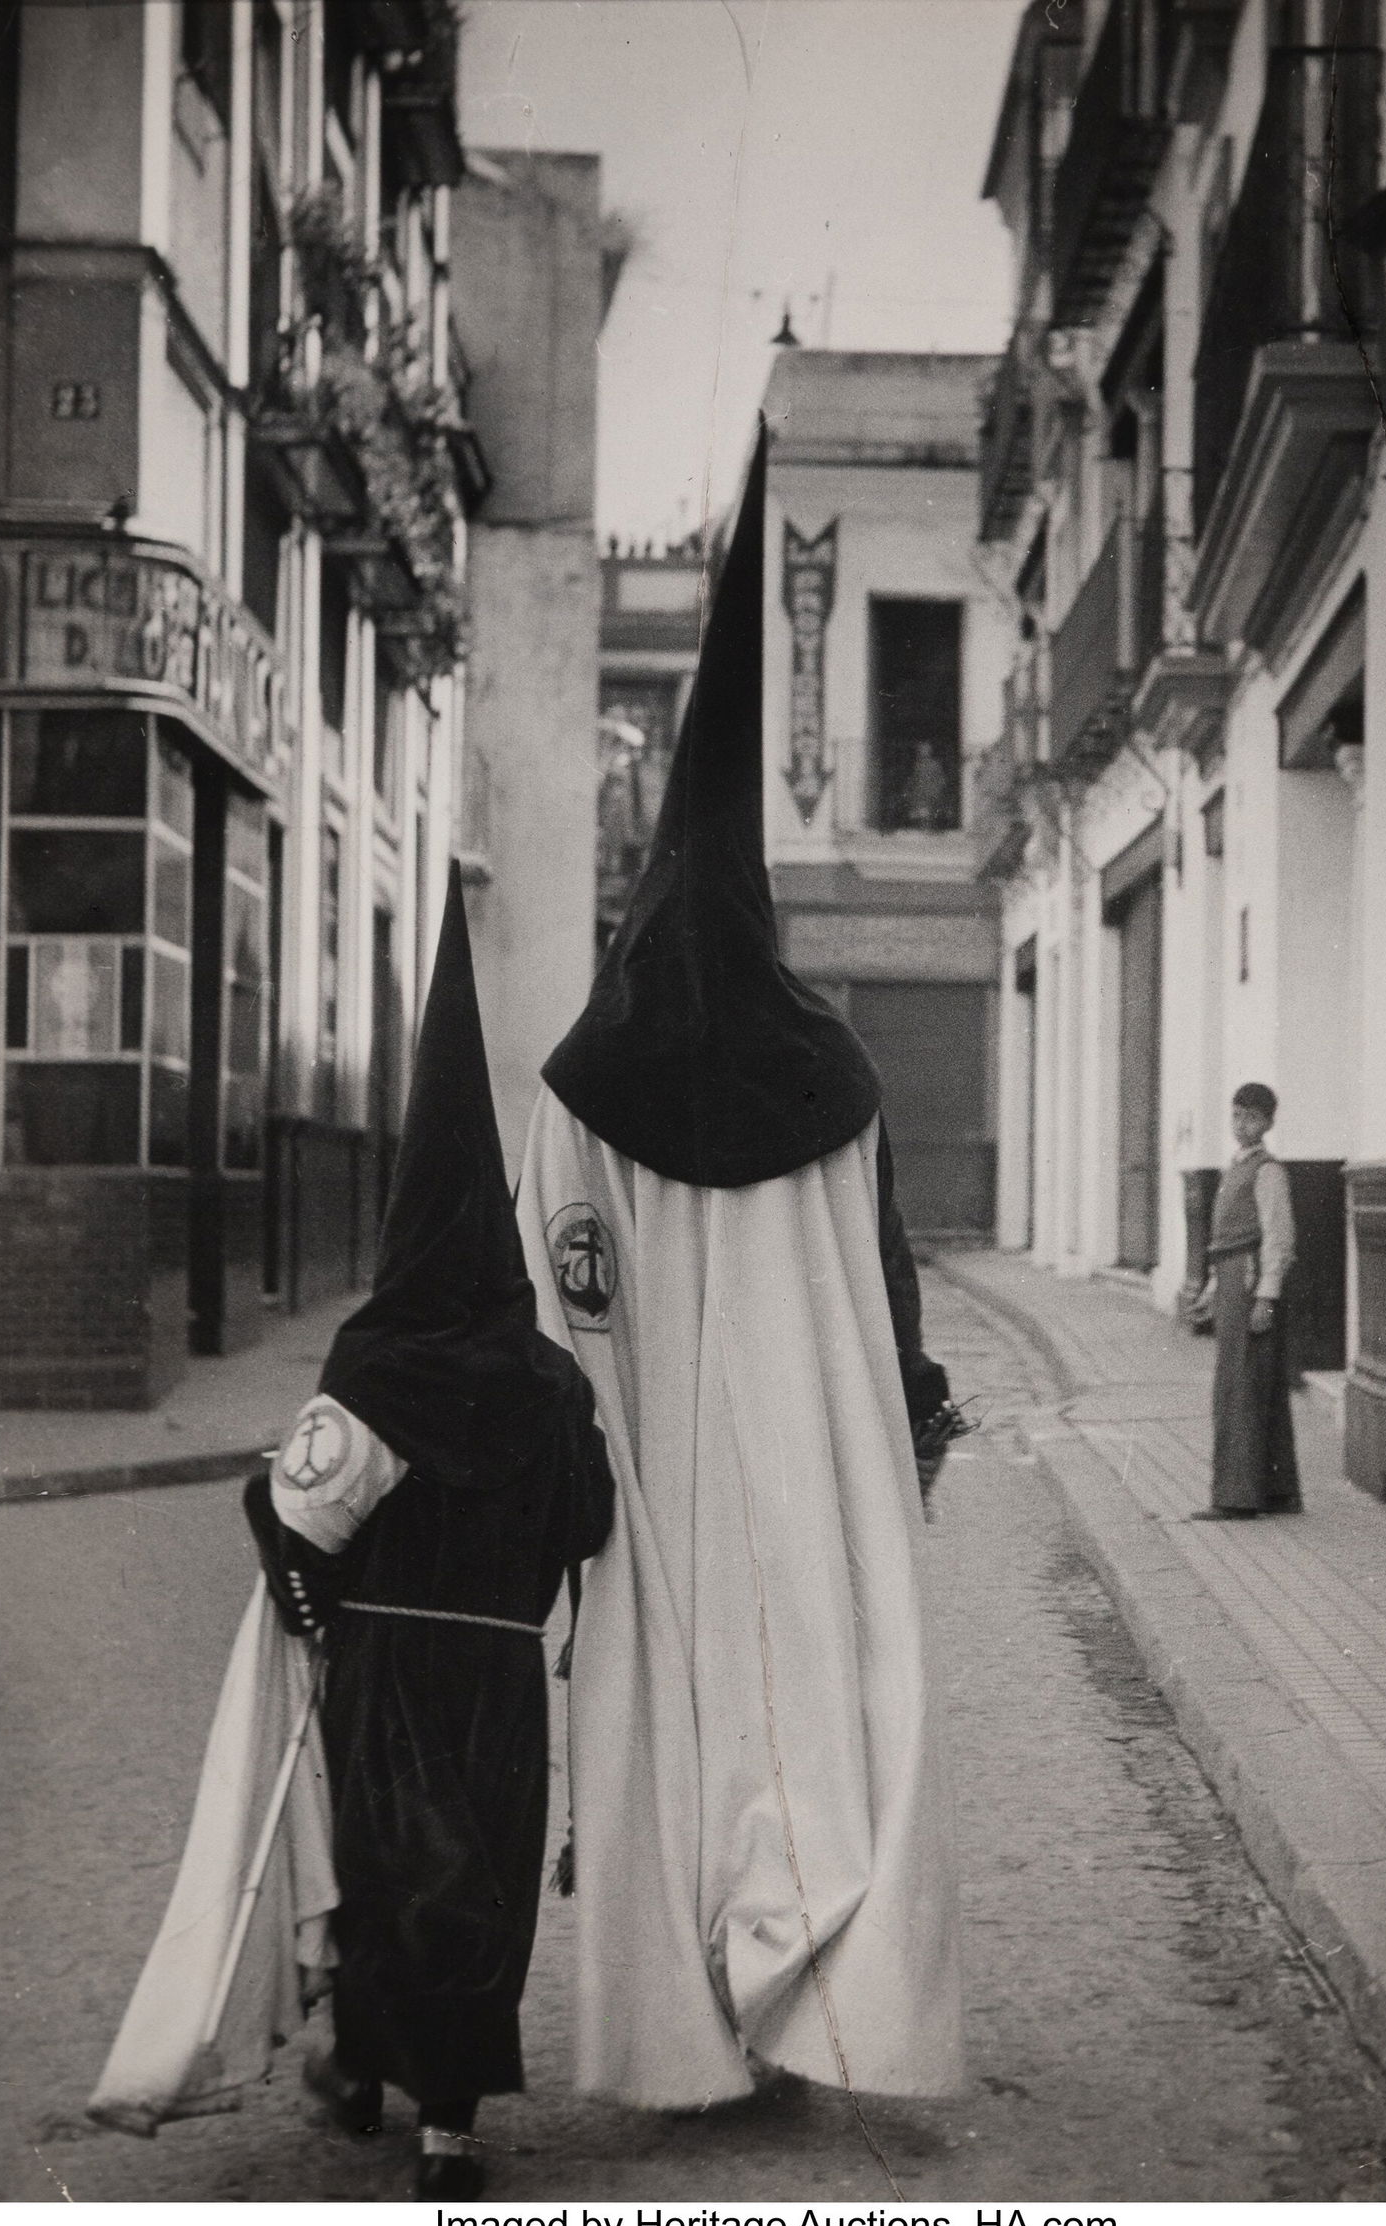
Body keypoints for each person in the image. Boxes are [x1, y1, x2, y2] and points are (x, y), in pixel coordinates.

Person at [517, 421, 965, 2111]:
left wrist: (575, 1464)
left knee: (673, 1738)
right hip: (812, 1469)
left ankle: (692, 2030)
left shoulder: (580, 1086)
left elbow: (553, 1294)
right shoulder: (835, 1075)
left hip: (655, 1488)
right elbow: (893, 1280)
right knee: (830, 1723)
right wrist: (906, 1418)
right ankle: (822, 1999)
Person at [247, 864, 614, 2200]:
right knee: (486, 1878)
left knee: (392, 1865)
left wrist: (312, 1613)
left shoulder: (372, 1360)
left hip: (390, 1668)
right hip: (501, 1669)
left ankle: (360, 2064)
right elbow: (588, 1519)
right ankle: (448, 2113)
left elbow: (294, 1514)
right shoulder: (548, 1380)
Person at [1193, 1082, 1301, 1521]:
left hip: (1253, 1283)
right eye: (1237, 1115)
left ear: (1270, 1122)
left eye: (1253, 1117)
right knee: (1257, 1382)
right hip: (1233, 1279)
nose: (1243, 1125)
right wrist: (1212, 1288)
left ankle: (1236, 1497)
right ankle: (1277, 1492)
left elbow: (1278, 1237)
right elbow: (1226, 1241)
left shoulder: (1268, 1170)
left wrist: (1266, 1296)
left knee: (1240, 1386)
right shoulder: (1234, 1167)